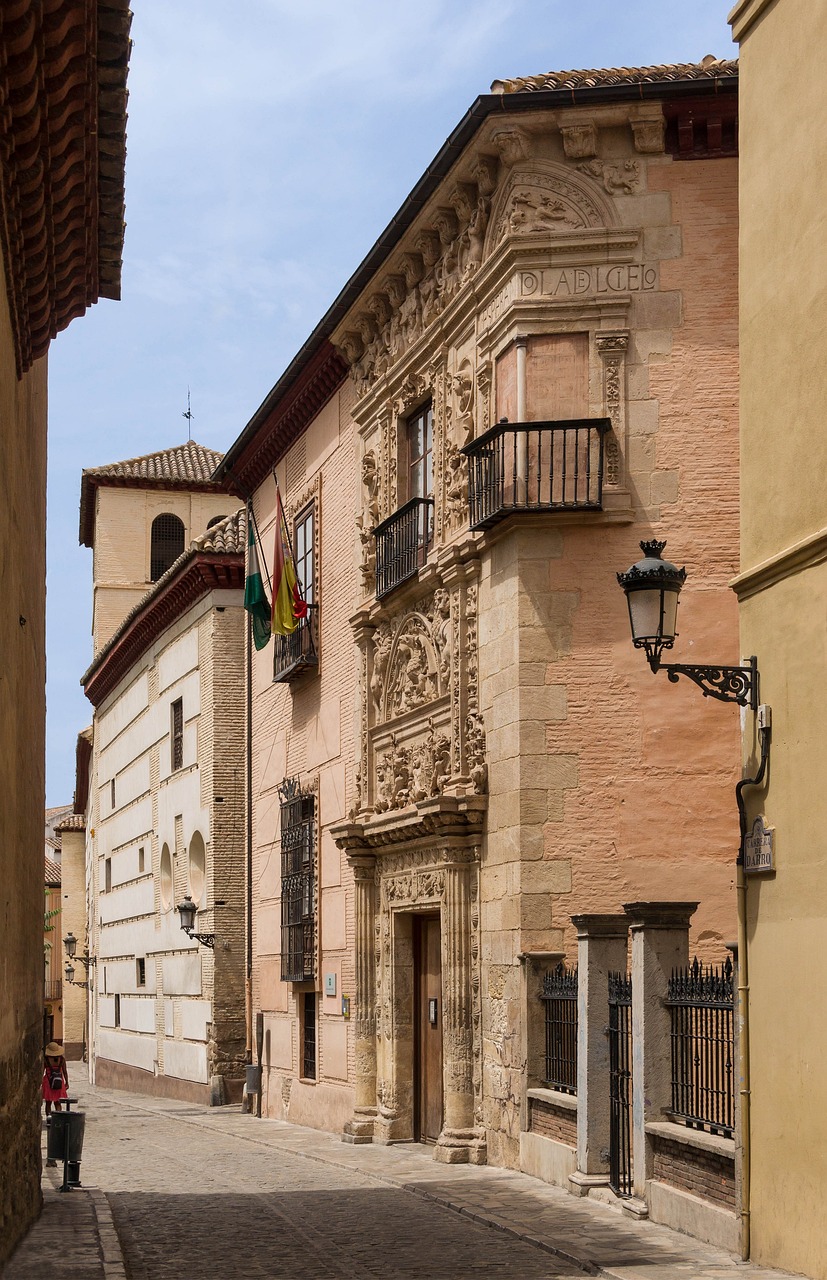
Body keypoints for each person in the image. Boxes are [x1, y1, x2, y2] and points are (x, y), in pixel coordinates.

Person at [42, 1041, 68, 1121]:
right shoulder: (62, 1059)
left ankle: (49, 1119)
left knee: (48, 1103)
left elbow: (42, 1071)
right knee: (57, 1102)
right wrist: (67, 1082)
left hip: (48, 1082)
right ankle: (58, 1119)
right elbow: (64, 1072)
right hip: (59, 1082)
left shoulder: (46, 1060)